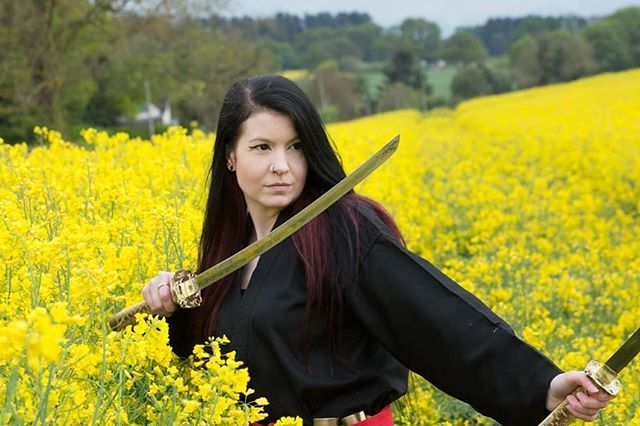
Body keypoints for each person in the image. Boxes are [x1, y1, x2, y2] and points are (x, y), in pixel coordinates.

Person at [141, 75, 611, 426]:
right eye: (262, 147)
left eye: (296, 147)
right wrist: (167, 309)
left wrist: (542, 387)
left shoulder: (344, 231)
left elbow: (434, 320)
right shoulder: (226, 249)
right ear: (230, 156)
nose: (281, 166)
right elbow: (204, 353)